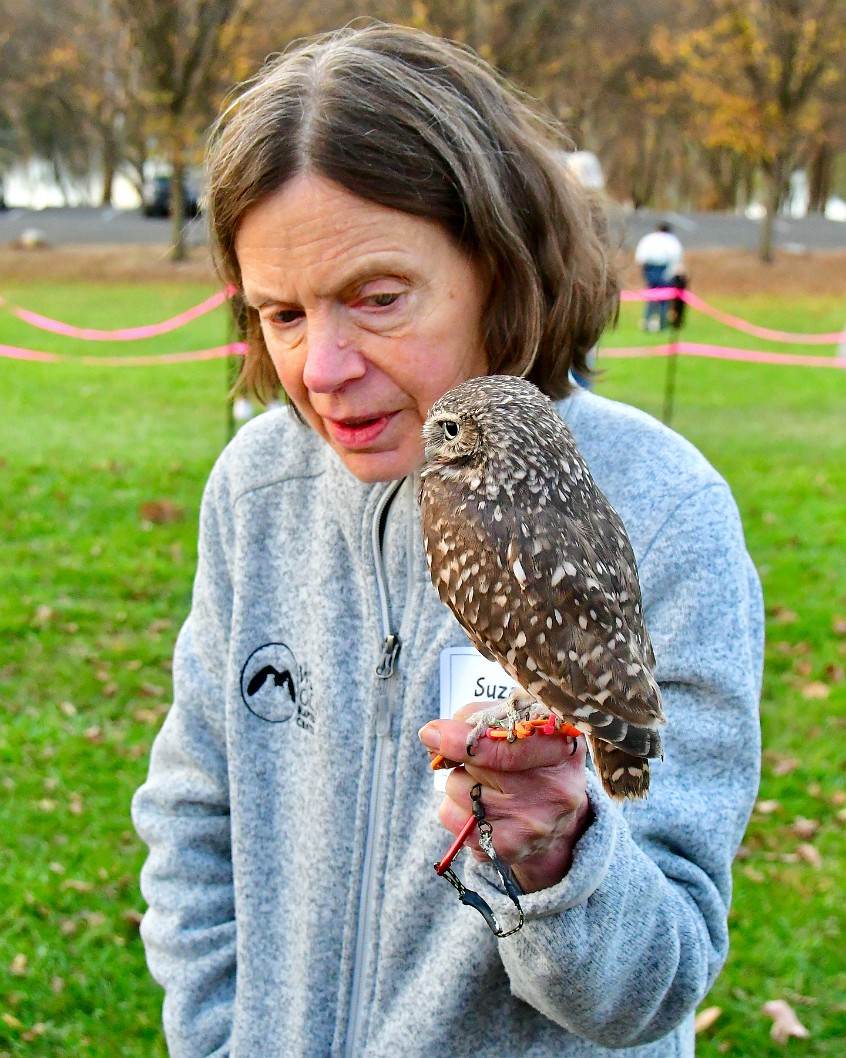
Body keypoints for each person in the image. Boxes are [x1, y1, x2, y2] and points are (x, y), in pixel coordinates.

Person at [132, 24, 763, 1058]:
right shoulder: (259, 487)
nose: (323, 365)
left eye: (378, 299)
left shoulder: (660, 511)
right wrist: (218, 1035)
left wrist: (557, 853)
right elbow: (194, 814)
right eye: (281, 314)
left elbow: (661, 975)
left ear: (500, 267)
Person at [634, 222, 684, 331]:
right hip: (664, 268)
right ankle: (662, 323)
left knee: (651, 296)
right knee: (664, 298)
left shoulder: (648, 239)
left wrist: (644, 272)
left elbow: (640, 257)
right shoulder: (671, 240)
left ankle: (647, 321)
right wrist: (670, 273)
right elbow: (676, 257)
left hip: (650, 268)